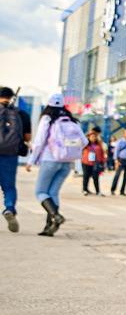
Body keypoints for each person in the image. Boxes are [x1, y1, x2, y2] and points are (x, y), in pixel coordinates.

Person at [26, 93, 85, 237]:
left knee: (40, 192)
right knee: (53, 193)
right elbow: (84, 142)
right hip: (66, 163)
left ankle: (56, 216)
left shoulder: (47, 119)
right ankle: (50, 226)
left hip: (50, 160)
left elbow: (39, 142)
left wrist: (30, 161)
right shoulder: (72, 121)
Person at [0, 86, 32, 233]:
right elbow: (27, 137)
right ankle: (10, 208)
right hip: (10, 155)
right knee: (9, 187)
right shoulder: (21, 114)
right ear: (12, 97)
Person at [110, 129, 126, 196]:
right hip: (121, 160)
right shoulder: (120, 141)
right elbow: (116, 151)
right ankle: (113, 189)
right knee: (117, 175)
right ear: (124, 134)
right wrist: (116, 161)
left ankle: (122, 191)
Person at [81, 129, 106, 196]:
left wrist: (102, 162)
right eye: (92, 137)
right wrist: (89, 133)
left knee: (96, 177)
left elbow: (102, 153)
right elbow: (82, 140)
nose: (93, 138)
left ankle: (98, 191)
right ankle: (85, 190)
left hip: (95, 163)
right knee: (86, 176)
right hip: (86, 162)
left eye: (95, 137)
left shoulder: (98, 145)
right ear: (89, 137)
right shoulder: (86, 144)